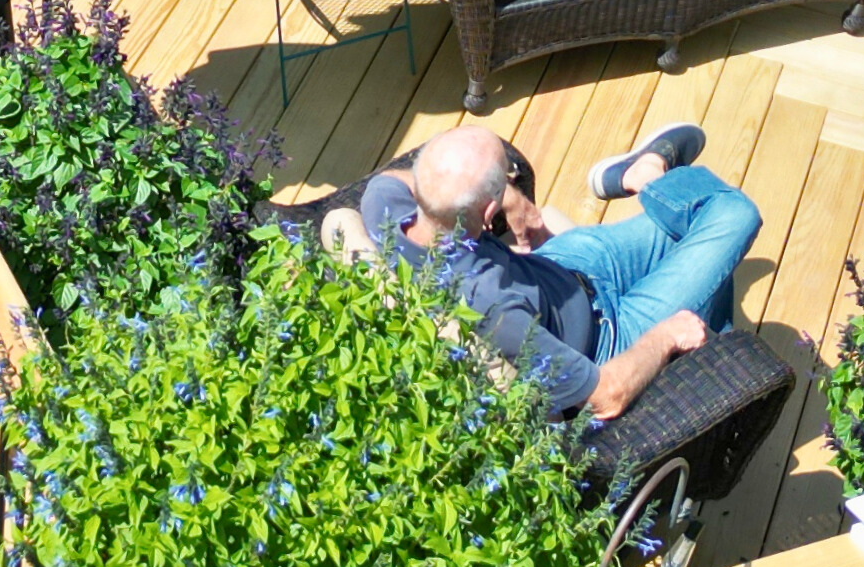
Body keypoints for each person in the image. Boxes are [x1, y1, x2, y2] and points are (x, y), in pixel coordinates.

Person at [327, 120, 763, 424]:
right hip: (610, 335)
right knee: (731, 214)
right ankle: (648, 176)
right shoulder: (495, 311)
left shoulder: (385, 206)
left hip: (568, 262)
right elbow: (605, 397)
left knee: (701, 242)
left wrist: (511, 199)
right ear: (488, 210)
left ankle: (644, 176)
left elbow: (397, 179)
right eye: (508, 179)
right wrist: (668, 335)